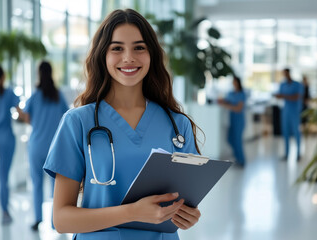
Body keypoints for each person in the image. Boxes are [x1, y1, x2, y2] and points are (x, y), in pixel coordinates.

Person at [43, 9, 201, 239]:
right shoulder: (78, 122)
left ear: (151, 55)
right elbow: (61, 219)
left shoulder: (177, 125)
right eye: (117, 48)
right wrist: (132, 212)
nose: (129, 57)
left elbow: (185, 203)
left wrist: (189, 216)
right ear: (103, 55)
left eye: (139, 47)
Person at [23, 61, 68, 231]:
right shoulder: (58, 95)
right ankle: (54, 222)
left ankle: (37, 219)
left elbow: (27, 117)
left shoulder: (35, 96)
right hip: (54, 147)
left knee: (37, 184)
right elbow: (66, 117)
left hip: (36, 146)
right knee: (57, 185)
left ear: (39, 74)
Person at [0, 65, 24, 224]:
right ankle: (5, 212)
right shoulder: (8, 93)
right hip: (6, 139)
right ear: (3, 77)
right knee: (3, 177)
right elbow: (21, 114)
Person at [274, 68, 303, 161]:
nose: (285, 75)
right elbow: (280, 95)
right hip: (286, 111)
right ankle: (287, 154)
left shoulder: (297, 84)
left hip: (294, 112)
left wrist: (284, 96)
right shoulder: (282, 84)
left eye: (286, 73)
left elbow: (297, 97)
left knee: (296, 132)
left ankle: (298, 154)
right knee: (285, 133)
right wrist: (282, 96)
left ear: (289, 73)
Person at [218, 75, 246, 168]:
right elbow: (227, 101)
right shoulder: (231, 93)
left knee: (237, 141)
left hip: (239, 121)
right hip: (232, 120)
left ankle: (241, 160)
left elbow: (238, 108)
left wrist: (228, 106)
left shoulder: (242, 94)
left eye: (234, 81)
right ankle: (237, 158)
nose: (233, 83)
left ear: (238, 82)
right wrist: (221, 101)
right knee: (230, 139)